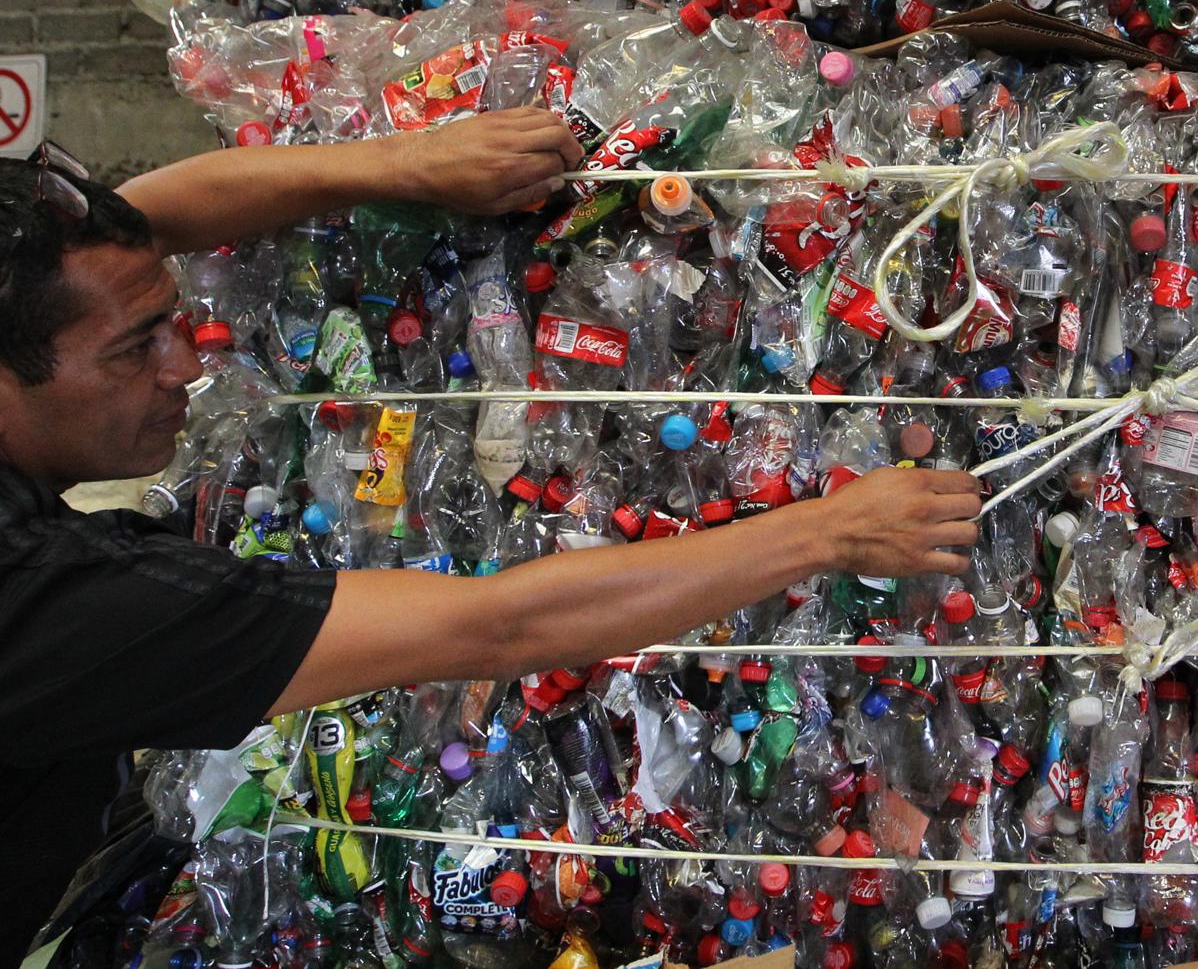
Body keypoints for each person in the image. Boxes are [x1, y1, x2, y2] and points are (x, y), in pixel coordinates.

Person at [0, 110, 983, 962]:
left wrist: (399, 165)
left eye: (175, 318)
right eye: (138, 346)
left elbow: (149, 211)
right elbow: (495, 627)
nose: (189, 362)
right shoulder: (60, 605)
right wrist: (823, 532)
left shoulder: (41, 305)